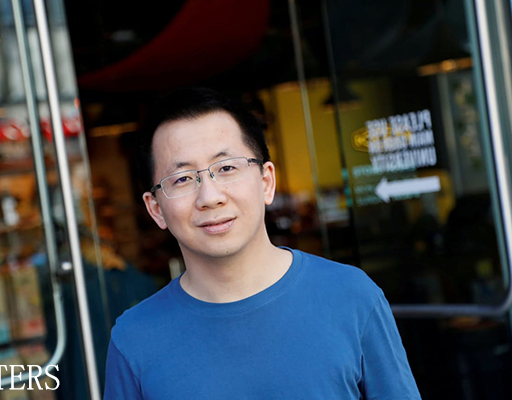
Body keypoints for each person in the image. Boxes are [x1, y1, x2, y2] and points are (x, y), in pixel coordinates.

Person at [103, 87, 421, 399]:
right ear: (156, 209)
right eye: (183, 178)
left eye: (227, 168)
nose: (210, 197)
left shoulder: (352, 296)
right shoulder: (134, 339)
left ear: (266, 181)